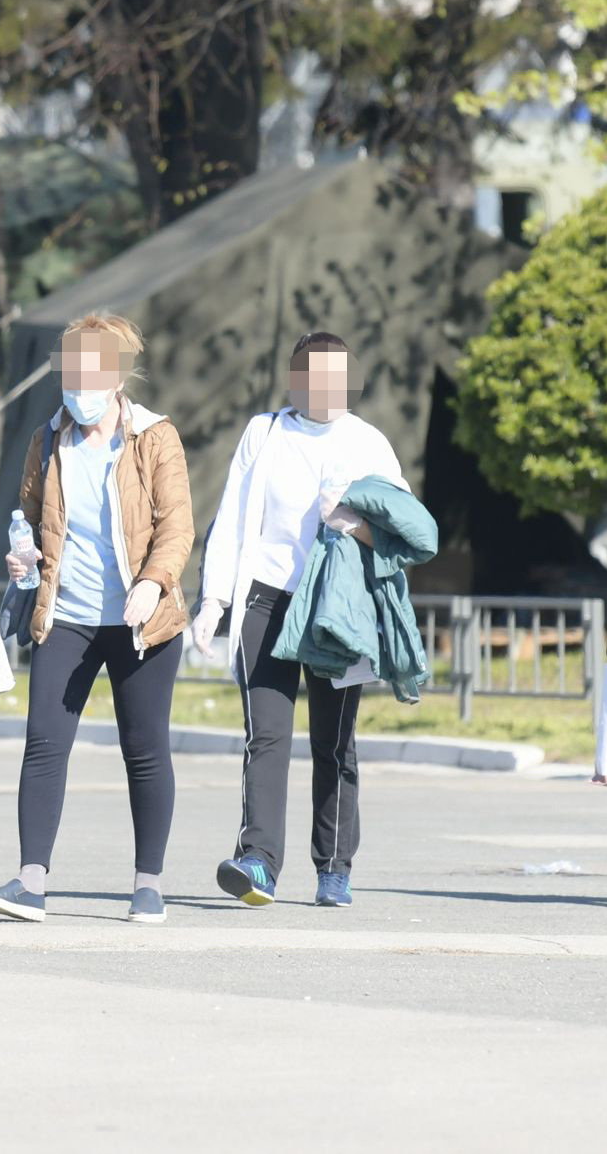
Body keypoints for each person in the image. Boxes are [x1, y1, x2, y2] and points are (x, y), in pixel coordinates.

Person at [0, 314, 193, 925]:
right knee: (43, 743)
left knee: (144, 747)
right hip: (65, 614)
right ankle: (30, 882)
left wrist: (153, 584)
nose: (81, 384)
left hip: (140, 618)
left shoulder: (154, 437)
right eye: (72, 371)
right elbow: (28, 512)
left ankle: (148, 885)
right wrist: (23, 551)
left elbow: (177, 526)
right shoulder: (48, 438)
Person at [192, 332, 410, 910]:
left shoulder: (367, 441)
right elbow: (233, 519)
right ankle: (258, 861)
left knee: (333, 740)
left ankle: (334, 865)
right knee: (265, 736)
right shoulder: (264, 434)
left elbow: (409, 527)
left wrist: (353, 523)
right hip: (265, 600)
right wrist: (212, 602)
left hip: (336, 609)